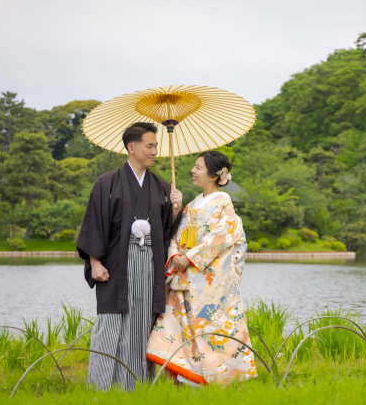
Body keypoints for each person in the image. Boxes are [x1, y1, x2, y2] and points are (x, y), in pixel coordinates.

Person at [76, 122, 184, 391]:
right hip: (115, 266)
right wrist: (94, 262)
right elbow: (94, 222)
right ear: (131, 147)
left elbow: (167, 231)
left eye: (157, 146)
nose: (155, 151)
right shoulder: (107, 183)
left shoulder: (161, 186)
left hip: (148, 266)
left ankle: (134, 387)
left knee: (141, 324)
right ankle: (101, 386)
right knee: (111, 322)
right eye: (150, 145)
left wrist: (175, 209)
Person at [147, 150, 257, 386]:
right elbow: (175, 236)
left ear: (214, 175)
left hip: (207, 281)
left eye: (198, 167)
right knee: (174, 331)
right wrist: (176, 254)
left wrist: (189, 257)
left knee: (208, 335)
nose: (193, 171)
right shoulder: (190, 204)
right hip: (183, 279)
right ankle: (179, 383)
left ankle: (214, 381)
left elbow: (222, 236)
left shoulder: (223, 202)